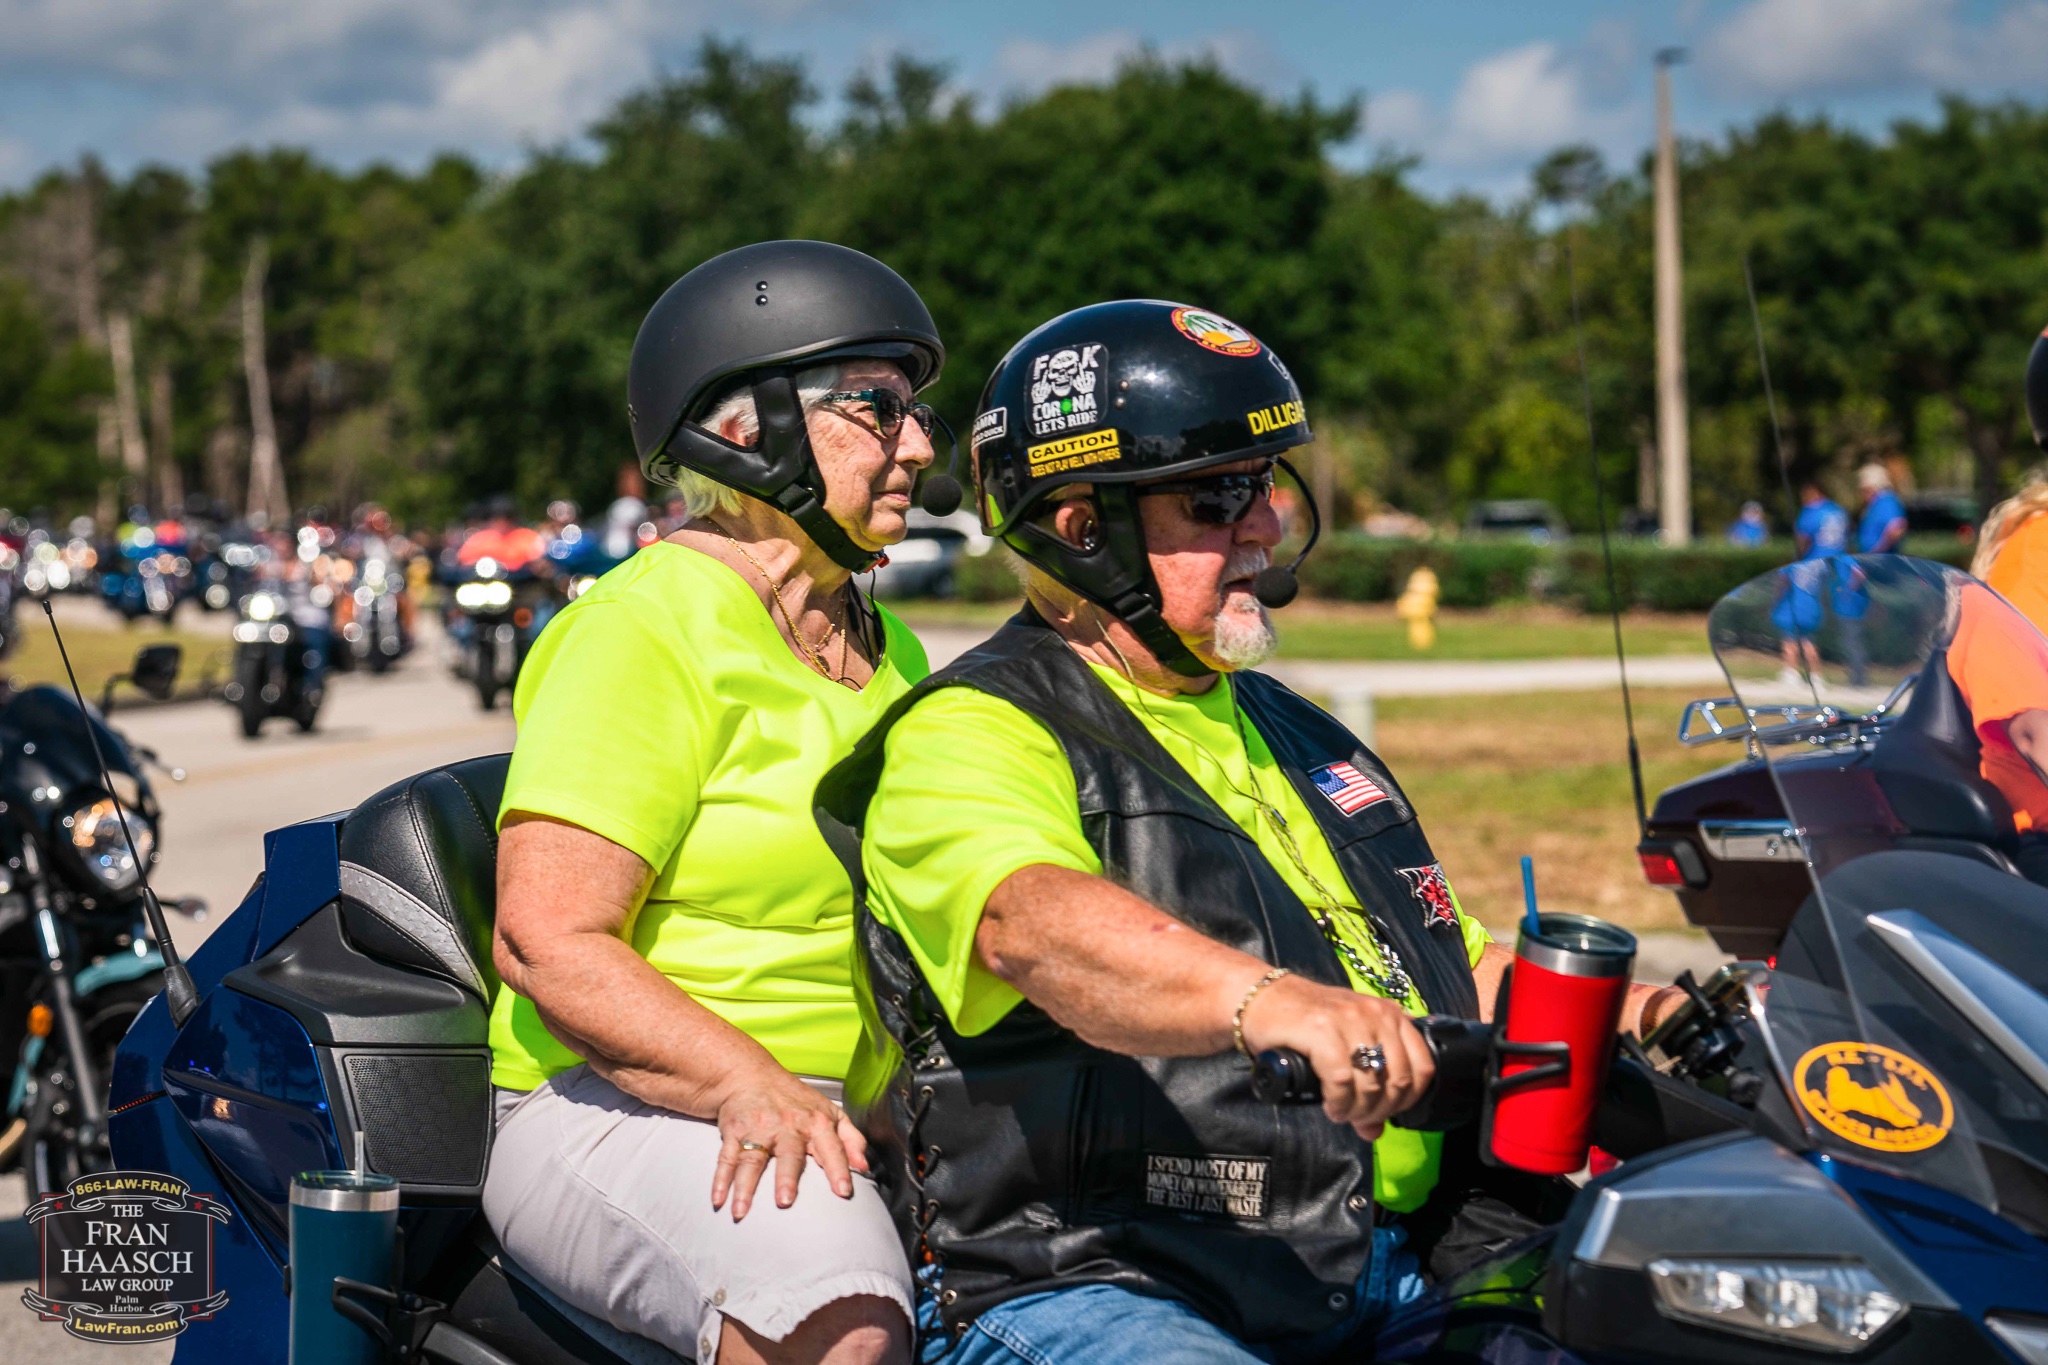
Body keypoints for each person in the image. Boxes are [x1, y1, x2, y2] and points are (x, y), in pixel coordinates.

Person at [816, 301, 1685, 1365]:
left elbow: (1436, 957)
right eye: (1220, 495)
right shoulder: (972, 731)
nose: (1265, 525)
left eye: (1270, 484)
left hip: (1400, 1259)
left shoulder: (1294, 727)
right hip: (1101, 1276)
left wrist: (1660, 1015)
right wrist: (1273, 1005)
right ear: (1081, 526)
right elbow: (1027, 921)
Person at [482, 241, 948, 1365]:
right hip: (628, 1106)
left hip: (848, 1112)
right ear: (742, 429)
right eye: (878, 409)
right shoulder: (641, 631)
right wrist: (749, 1082)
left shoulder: (891, 653)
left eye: (918, 410)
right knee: (841, 1320)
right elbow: (547, 940)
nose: (922, 444)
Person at [1855, 463, 1908, 554]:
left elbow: (1896, 529)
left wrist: (1876, 552)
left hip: (1882, 561)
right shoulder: (1874, 504)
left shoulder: (1887, 501)